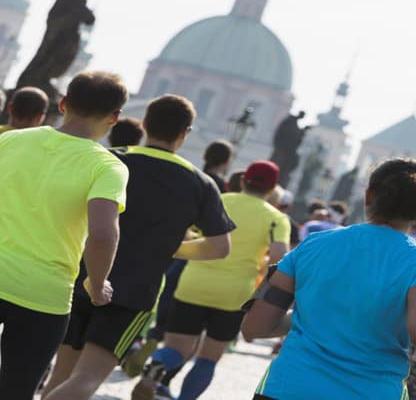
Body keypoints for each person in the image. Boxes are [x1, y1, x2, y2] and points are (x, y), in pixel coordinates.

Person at [42, 95, 236, 400]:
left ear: (144, 124)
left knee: (61, 375)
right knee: (87, 380)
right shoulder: (199, 183)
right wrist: (172, 248)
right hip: (134, 292)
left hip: (80, 276)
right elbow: (219, 247)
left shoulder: (109, 157)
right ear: (186, 133)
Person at [242, 158, 416, 400]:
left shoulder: (312, 245)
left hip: (289, 386)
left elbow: (255, 326)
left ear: (368, 196)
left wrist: (312, 316)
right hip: (371, 392)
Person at [0, 71, 129, 399]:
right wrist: (97, 285)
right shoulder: (107, 166)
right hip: (43, 292)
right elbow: (103, 234)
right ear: (115, 117)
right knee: (16, 388)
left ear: (63, 103)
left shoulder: (10, 140)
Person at [134, 160, 291, 400]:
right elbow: (279, 257)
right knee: (208, 359)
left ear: (242, 180)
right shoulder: (276, 218)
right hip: (235, 293)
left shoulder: (219, 200)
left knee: (177, 349)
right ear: (272, 190)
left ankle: (156, 363)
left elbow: (184, 231)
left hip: (193, 284)